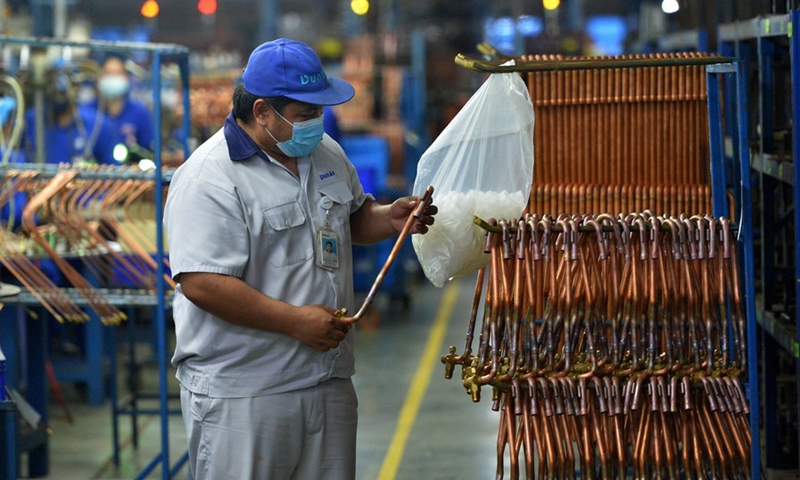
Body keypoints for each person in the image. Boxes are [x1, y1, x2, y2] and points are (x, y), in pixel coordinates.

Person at [163, 38, 437, 480]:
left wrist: (389, 218)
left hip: (326, 378)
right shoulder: (209, 178)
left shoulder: (323, 150)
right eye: (304, 114)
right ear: (262, 112)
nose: (316, 123)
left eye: (319, 112)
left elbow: (349, 219)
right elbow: (200, 282)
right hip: (247, 393)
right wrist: (293, 321)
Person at [88, 55, 155, 161]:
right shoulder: (88, 112)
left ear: (126, 77)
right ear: (99, 78)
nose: (113, 78)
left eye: (118, 73)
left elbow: (149, 150)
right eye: (108, 73)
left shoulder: (140, 113)